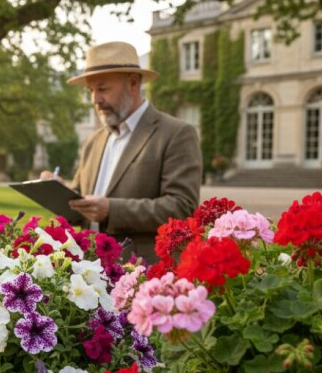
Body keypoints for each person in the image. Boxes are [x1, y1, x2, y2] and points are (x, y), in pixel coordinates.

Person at [42, 41, 202, 263]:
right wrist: (60, 193)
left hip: (142, 275)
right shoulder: (92, 141)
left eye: (103, 89)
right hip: (91, 275)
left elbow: (182, 207)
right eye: (91, 90)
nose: (95, 100)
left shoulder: (176, 134)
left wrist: (111, 209)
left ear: (133, 83)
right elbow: (82, 206)